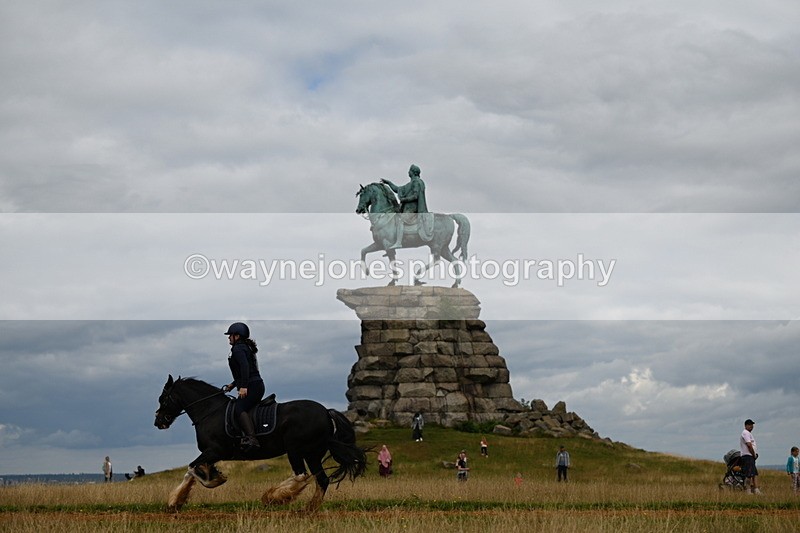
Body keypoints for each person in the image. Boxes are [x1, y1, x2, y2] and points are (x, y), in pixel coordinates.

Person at [221, 322, 265, 451]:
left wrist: (243, 387)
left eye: (230, 335)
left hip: (252, 386)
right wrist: (233, 384)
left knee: (239, 408)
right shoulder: (245, 347)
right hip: (256, 384)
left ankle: (252, 438)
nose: (229, 338)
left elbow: (245, 367)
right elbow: (244, 371)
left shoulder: (238, 349)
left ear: (237, 336)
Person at [381, 164, 431, 248]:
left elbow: (415, 196)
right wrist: (389, 183)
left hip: (413, 209)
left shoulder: (416, 182)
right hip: (409, 208)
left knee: (399, 219)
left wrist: (404, 199)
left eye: (409, 171)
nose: (408, 172)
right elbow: (398, 189)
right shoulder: (412, 183)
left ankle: (398, 242)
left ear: (413, 172)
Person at [739, 419, 760, 494]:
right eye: (749, 425)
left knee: (754, 473)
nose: (751, 426)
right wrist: (753, 454)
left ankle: (756, 489)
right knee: (749, 474)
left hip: (750, 456)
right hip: (748, 456)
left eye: (752, 425)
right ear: (746, 425)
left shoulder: (748, 433)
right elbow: (749, 445)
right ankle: (748, 491)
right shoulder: (745, 433)